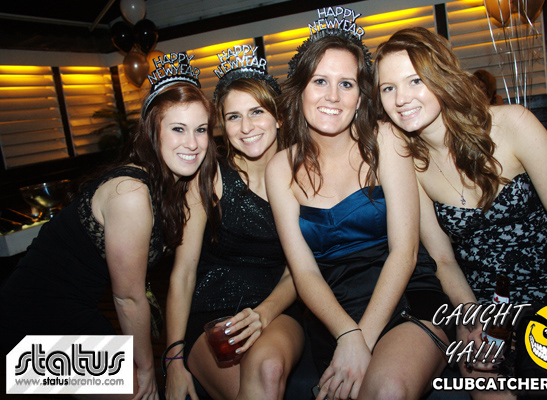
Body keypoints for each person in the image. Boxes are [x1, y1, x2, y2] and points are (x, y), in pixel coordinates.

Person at [373, 26, 547, 397]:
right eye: (388, 88)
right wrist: (471, 319)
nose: (401, 98)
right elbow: (443, 259)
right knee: (487, 388)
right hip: (488, 309)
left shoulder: (513, 125)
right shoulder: (409, 163)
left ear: (441, 77)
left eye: (415, 80)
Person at [0, 54, 216, 400]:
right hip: (28, 322)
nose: (192, 143)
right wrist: (146, 370)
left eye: (200, 129)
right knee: (136, 390)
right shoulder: (130, 193)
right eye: (178, 128)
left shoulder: (170, 184)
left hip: (75, 310)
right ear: (153, 131)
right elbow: (128, 297)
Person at [266, 14, 450, 400]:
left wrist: (361, 339)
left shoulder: (386, 140)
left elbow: (405, 252)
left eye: (346, 83)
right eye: (320, 81)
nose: (332, 96)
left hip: (405, 295)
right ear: (301, 90)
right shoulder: (280, 168)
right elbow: (303, 271)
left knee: (386, 390)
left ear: (361, 96)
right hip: (332, 316)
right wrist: (347, 334)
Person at [164, 56, 304, 400]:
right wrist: (173, 359)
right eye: (233, 117)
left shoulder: (302, 176)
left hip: (276, 307)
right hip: (210, 312)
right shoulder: (209, 178)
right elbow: (183, 273)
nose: (246, 127)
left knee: (268, 370)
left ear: (279, 117)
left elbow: (298, 271)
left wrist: (262, 314)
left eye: (257, 112)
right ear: (222, 126)